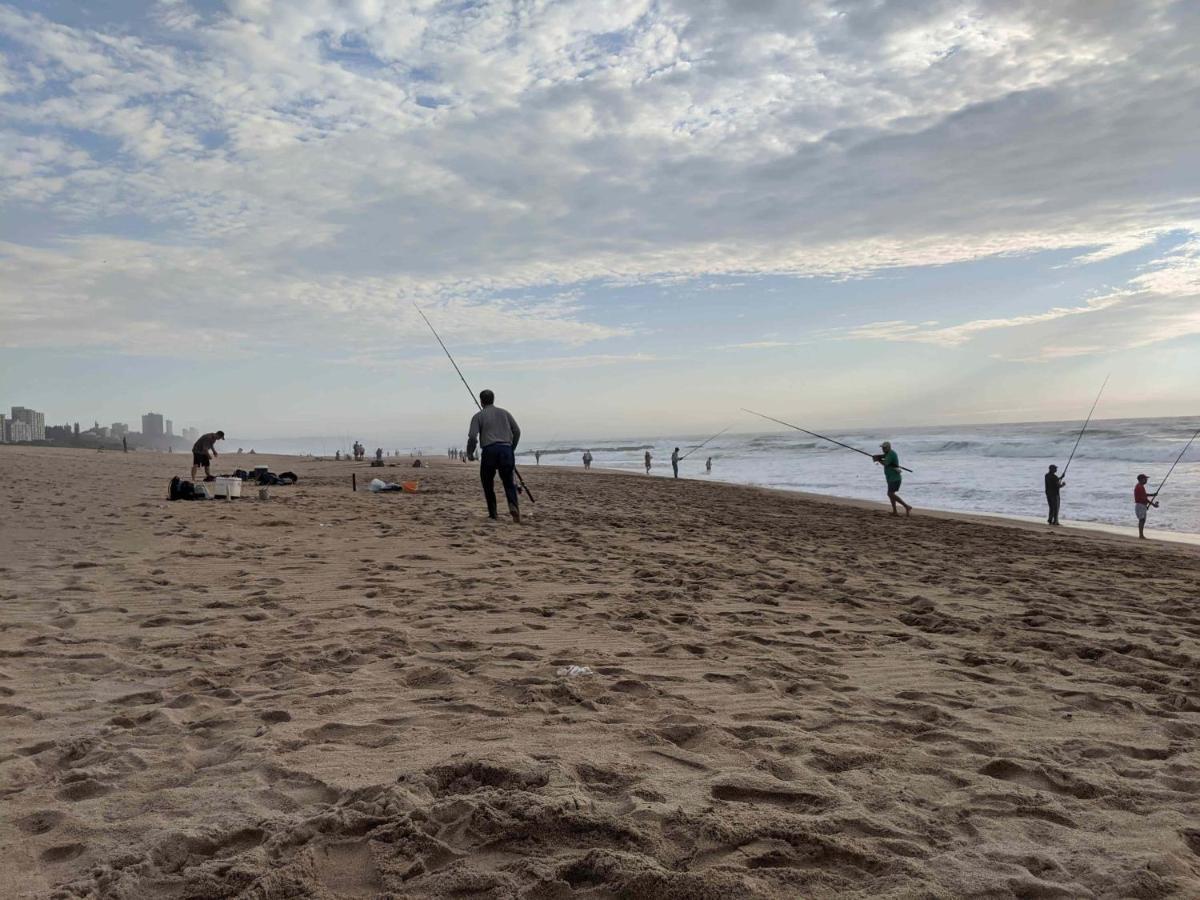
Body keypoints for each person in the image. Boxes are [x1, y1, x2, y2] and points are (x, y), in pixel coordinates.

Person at [467, 389, 522, 523]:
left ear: (481, 401)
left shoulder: (478, 416)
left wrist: (470, 453)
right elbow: (517, 431)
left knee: (487, 483)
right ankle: (513, 507)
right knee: (509, 482)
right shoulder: (505, 413)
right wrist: (511, 448)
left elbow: (473, 437)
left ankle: (493, 513)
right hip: (506, 450)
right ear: (493, 399)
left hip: (489, 451)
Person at [872, 440, 911, 516]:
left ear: (889, 447)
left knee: (890, 494)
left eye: (885, 448)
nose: (883, 449)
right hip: (890, 478)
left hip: (895, 478)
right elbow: (883, 456)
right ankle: (895, 512)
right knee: (891, 494)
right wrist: (877, 456)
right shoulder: (887, 454)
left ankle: (906, 506)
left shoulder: (891, 454)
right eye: (882, 448)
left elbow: (885, 463)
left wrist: (878, 460)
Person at [1134, 474, 1159, 539]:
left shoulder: (1139, 486)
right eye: (1145, 479)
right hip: (1141, 505)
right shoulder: (1140, 487)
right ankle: (1141, 535)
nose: (1146, 480)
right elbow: (1144, 498)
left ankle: (1141, 535)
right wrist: (1153, 505)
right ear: (1141, 479)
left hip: (1141, 505)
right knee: (1142, 520)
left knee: (1142, 520)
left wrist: (1152, 494)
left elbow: (1144, 495)